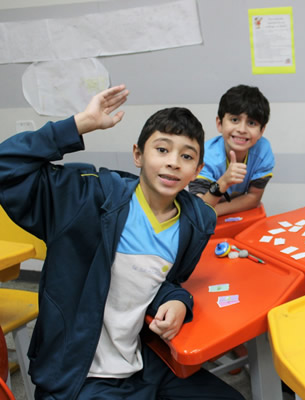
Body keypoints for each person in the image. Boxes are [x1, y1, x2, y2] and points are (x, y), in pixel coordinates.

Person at [0, 85, 244, 400]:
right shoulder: (87, 198)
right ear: (138, 155)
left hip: (142, 363)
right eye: (162, 149)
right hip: (78, 374)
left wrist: (176, 301)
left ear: (197, 170)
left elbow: (157, 280)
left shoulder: (195, 223)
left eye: (186, 156)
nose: (173, 162)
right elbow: (6, 168)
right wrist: (78, 124)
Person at [189, 84, 274, 216]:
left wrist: (212, 212)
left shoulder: (263, 152)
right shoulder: (203, 156)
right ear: (219, 124)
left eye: (251, 123)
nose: (242, 129)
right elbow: (199, 209)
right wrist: (224, 182)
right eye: (235, 120)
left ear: (261, 131)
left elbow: (253, 198)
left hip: (223, 214)